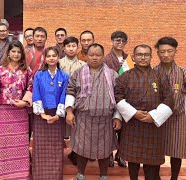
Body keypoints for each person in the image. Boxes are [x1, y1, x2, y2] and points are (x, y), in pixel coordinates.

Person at [114, 44, 174, 180]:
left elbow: (169, 99)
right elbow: (117, 96)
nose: (143, 57)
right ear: (133, 57)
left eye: (146, 55)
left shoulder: (160, 76)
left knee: (152, 164)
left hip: (153, 125)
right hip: (133, 124)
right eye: (139, 54)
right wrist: (134, 113)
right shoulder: (125, 76)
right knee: (133, 161)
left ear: (151, 57)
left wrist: (153, 116)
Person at [65, 43, 122, 180]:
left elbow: (119, 97)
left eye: (98, 55)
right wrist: (69, 112)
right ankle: (80, 174)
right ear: (87, 56)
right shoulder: (78, 73)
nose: (94, 58)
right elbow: (70, 91)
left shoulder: (113, 75)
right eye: (91, 55)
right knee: (81, 148)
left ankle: (103, 176)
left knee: (104, 150)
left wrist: (117, 116)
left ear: (103, 56)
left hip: (105, 120)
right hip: (83, 119)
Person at [154, 37, 186, 180]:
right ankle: (156, 176)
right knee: (156, 149)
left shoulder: (184, 72)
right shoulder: (153, 72)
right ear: (158, 53)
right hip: (157, 118)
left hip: (177, 118)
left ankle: (174, 177)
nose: (166, 55)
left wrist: (181, 108)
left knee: (176, 150)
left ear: (175, 51)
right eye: (162, 51)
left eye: (169, 51)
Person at [0, 40, 33, 179]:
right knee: (3, 143)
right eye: (13, 51)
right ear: (8, 53)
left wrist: (25, 101)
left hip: (20, 111)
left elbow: (30, 87)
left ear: (22, 54)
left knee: (20, 143)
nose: (16, 54)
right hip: (3, 111)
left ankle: (21, 173)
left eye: (18, 52)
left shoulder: (26, 70)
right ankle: (3, 173)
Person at [32, 46, 69, 179]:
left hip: (57, 116)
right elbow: (36, 94)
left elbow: (64, 96)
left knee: (55, 148)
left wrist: (57, 115)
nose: (52, 58)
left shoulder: (64, 75)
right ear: (45, 59)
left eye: (54, 55)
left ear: (58, 57)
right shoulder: (39, 75)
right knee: (40, 147)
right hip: (41, 116)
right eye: (49, 56)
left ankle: (55, 176)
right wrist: (42, 114)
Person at [59, 36, 86, 166]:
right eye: (68, 46)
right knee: (59, 129)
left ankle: (75, 153)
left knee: (76, 129)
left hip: (77, 101)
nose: (71, 48)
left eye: (73, 46)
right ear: (64, 48)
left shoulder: (83, 65)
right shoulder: (58, 63)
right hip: (59, 100)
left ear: (77, 48)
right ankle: (57, 153)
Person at [103, 30, 129, 167]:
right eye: (117, 40)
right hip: (110, 96)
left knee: (124, 129)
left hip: (126, 98)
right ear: (112, 41)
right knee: (109, 128)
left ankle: (121, 154)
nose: (120, 43)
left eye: (122, 41)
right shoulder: (106, 59)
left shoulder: (129, 58)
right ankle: (108, 155)